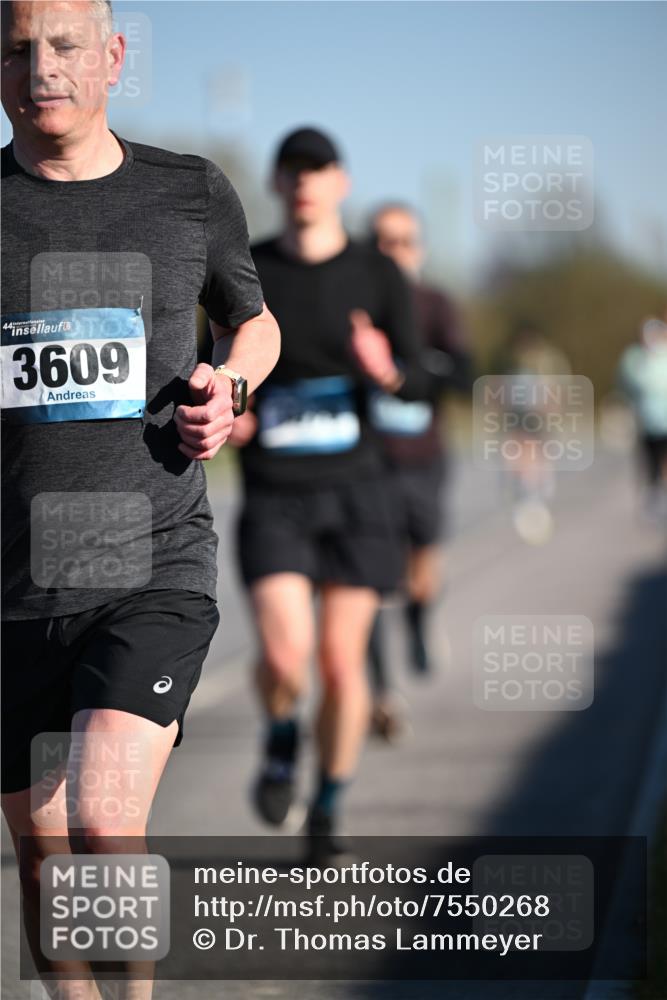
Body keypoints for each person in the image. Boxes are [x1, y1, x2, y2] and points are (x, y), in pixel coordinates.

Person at [0, 2, 279, 997]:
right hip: (12, 588)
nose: (42, 67)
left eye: (65, 45)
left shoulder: (187, 194)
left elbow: (254, 322)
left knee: (103, 821)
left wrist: (231, 389)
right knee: (43, 867)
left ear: (111, 58)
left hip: (150, 567)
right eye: (18, 48)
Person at [228, 127, 428, 863]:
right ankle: (281, 740)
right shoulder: (247, 268)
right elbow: (210, 363)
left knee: (342, 666)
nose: (306, 182)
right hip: (276, 492)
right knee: (286, 657)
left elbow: (425, 377)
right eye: (293, 171)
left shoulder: (377, 273)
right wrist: (232, 407)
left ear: (341, 182)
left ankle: (329, 802)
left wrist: (388, 372)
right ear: (277, 184)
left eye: (319, 170)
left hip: (357, 492)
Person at [366, 203, 471, 740]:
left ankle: (421, 621)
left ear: (420, 249)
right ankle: (383, 693)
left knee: (422, 571)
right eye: (383, 242)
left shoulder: (436, 303)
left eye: (404, 241)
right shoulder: (355, 308)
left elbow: (466, 372)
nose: (394, 252)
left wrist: (421, 372)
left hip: (425, 458)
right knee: (371, 580)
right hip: (367, 463)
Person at [617, 316, 667, 515]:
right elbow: (627, 382)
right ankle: (654, 494)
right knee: (651, 459)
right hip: (647, 421)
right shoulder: (635, 358)